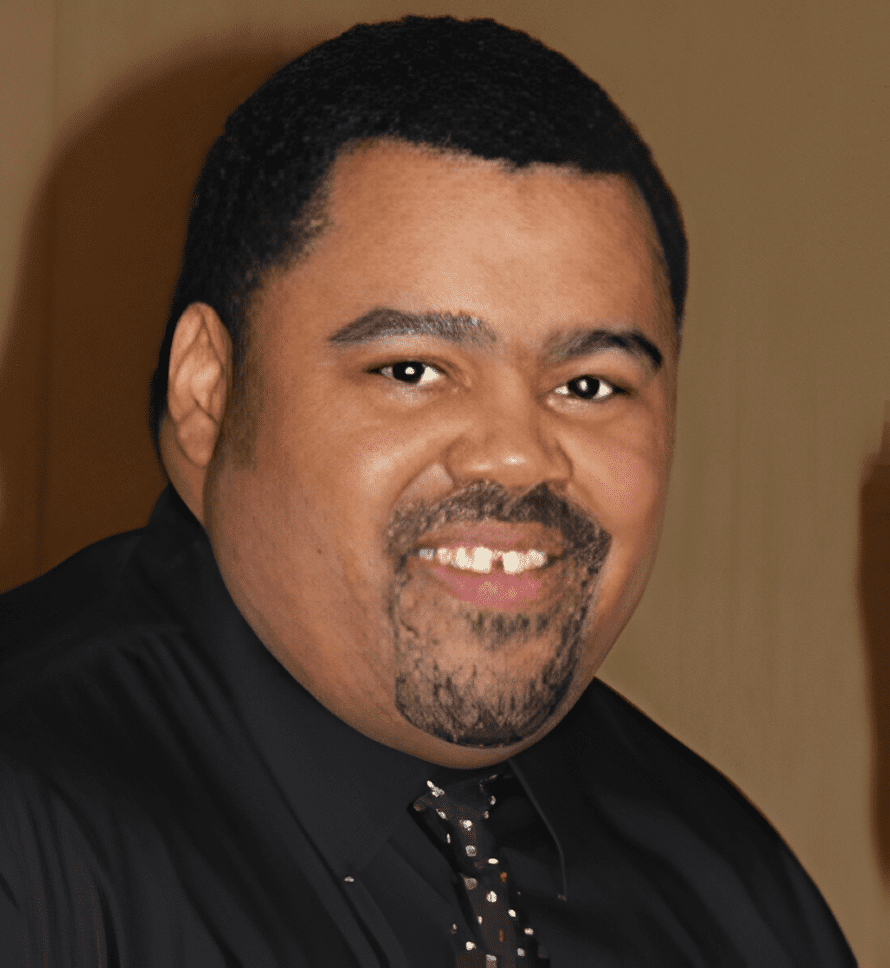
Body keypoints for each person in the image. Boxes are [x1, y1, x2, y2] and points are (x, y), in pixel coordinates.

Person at [0, 15, 856, 968]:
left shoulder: (729, 888)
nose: (518, 458)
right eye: (412, 369)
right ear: (209, 393)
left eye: (589, 386)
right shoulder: (34, 842)